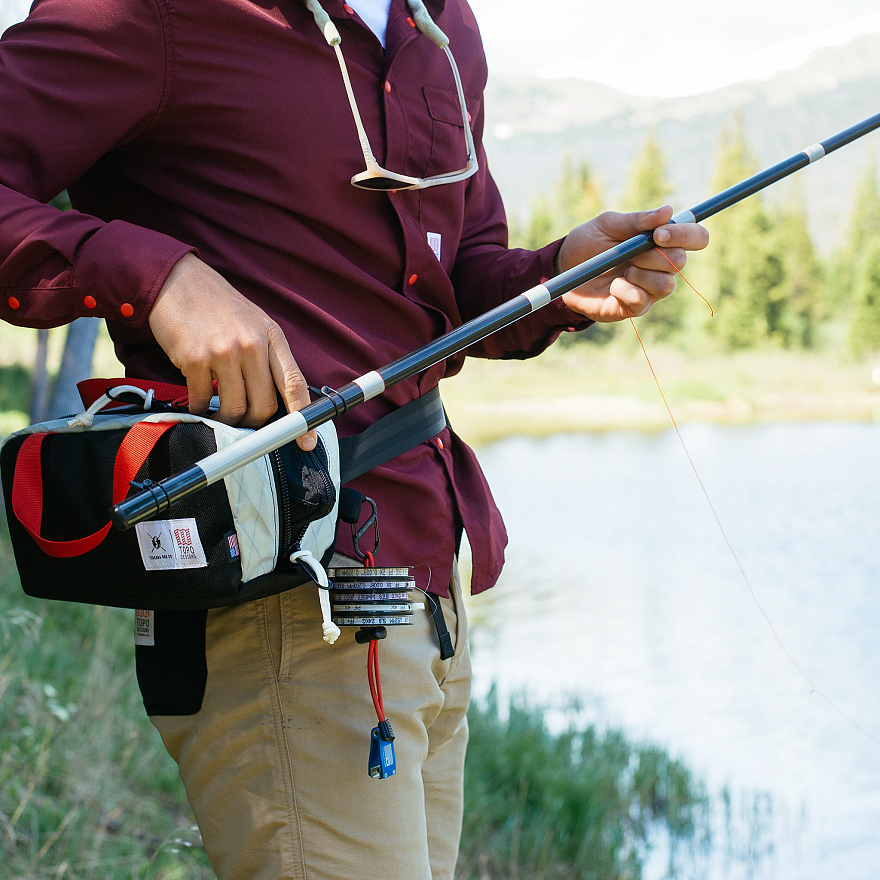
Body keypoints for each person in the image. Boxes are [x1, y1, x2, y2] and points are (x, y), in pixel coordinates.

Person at [0, 0, 709, 877]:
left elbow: (449, 280)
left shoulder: (440, 24)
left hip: (428, 577)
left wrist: (554, 279)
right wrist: (157, 279)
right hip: (285, 595)